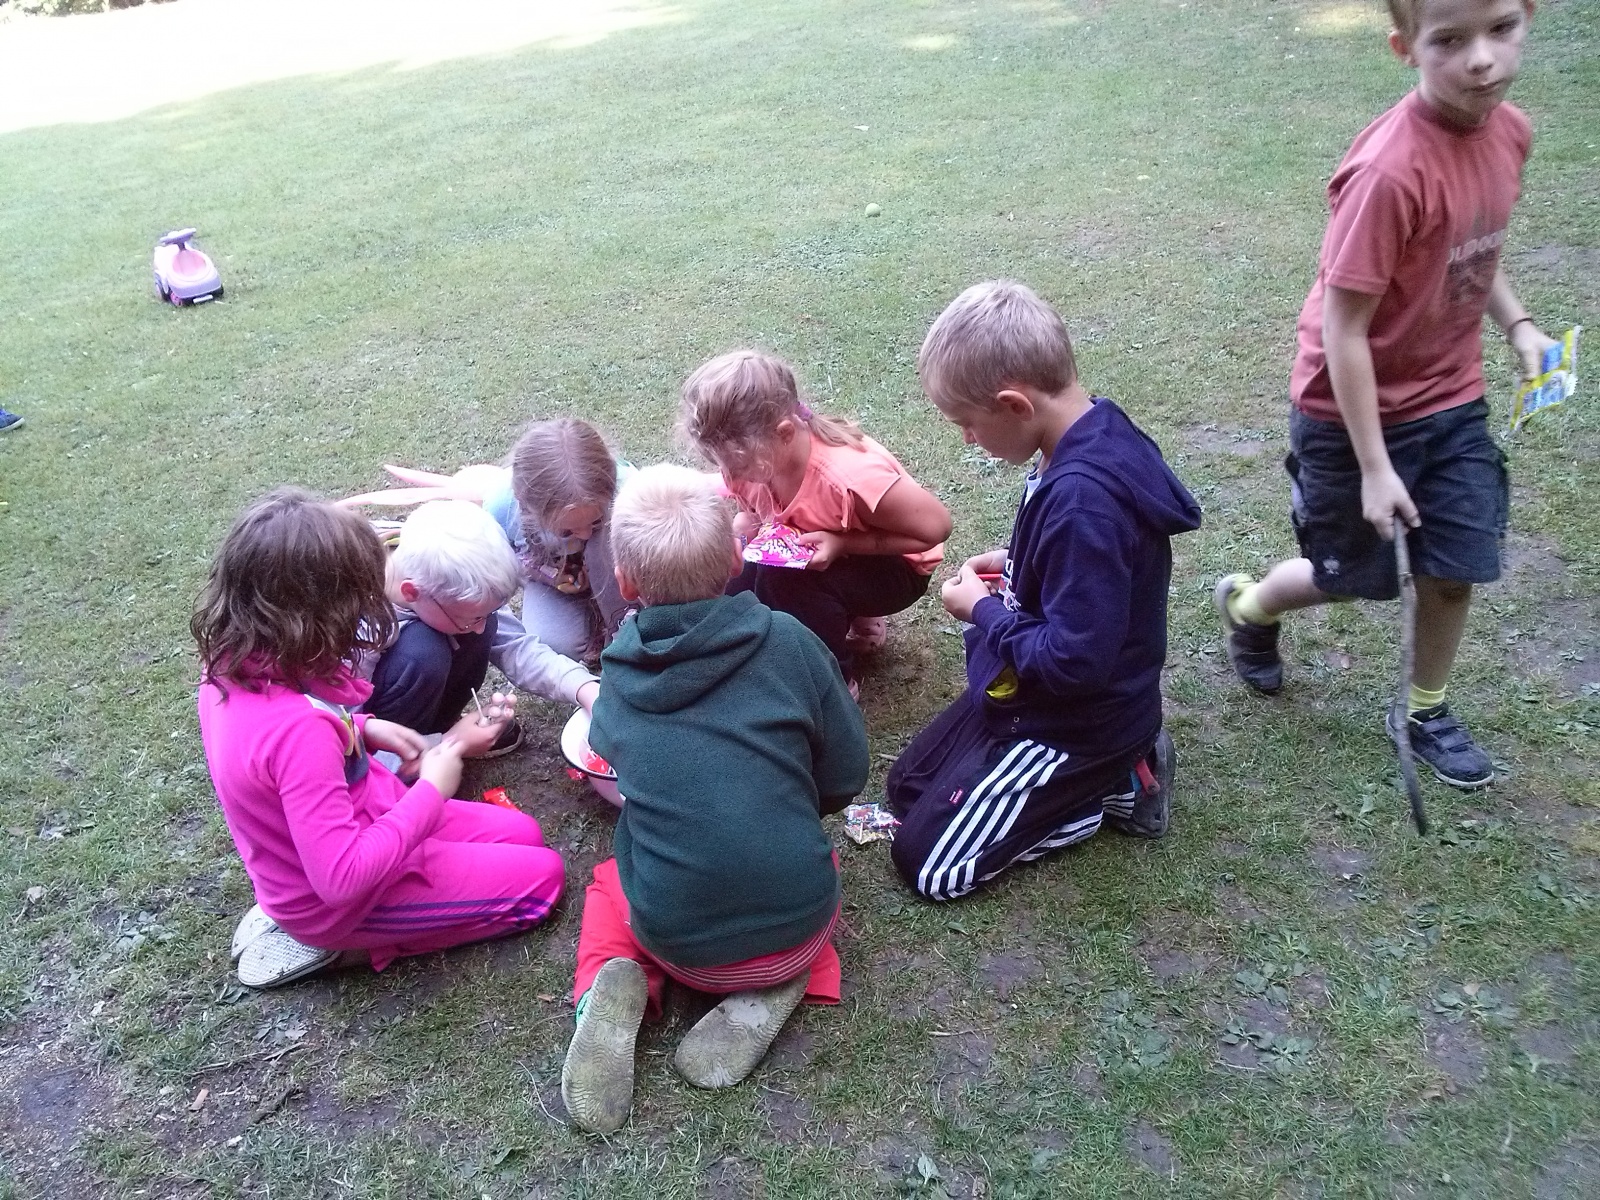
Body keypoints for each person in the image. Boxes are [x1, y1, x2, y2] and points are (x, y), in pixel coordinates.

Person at [1214, 0, 1556, 789]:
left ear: (1527, 16)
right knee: (1346, 574)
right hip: (1347, 414)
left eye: (1501, 29)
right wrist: (1374, 467)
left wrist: (1520, 327)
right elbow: (1344, 331)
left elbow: (1471, 250)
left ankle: (1425, 709)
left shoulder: (1510, 131)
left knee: (1455, 566)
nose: (1481, 59)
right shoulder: (1388, 173)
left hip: (1451, 399)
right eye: (1450, 41)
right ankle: (1251, 607)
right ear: (1406, 48)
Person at [559, 465, 868, 1135]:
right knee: (801, 857)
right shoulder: (792, 643)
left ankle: (610, 986)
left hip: (679, 946)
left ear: (625, 583)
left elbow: (613, 759)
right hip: (796, 923)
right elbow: (848, 772)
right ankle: (781, 979)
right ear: (735, 558)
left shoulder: (618, 678)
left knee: (613, 882)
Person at [887, 281, 1201, 901]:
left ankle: (1112, 783)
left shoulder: (1084, 502)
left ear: (1014, 405)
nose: (967, 439)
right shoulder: (1091, 427)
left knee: (929, 866)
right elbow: (1103, 566)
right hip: (1037, 692)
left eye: (968, 424)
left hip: (1077, 722)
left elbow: (1074, 662)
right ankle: (1086, 777)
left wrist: (982, 612)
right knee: (907, 790)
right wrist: (1023, 562)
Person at [193, 488, 564, 989]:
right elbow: (342, 878)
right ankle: (338, 948)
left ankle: (308, 912)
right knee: (543, 881)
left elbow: (284, 752)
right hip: (340, 901)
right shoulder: (297, 733)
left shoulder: (233, 667)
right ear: (320, 615)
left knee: (525, 834)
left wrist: (364, 728)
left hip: (369, 817)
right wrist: (431, 789)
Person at [679, 350, 952, 689]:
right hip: (829, 547)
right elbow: (753, 516)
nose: (731, 475)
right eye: (721, 463)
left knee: (786, 583)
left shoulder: (848, 477)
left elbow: (935, 528)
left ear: (784, 433)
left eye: (740, 465)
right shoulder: (752, 461)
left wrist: (843, 544)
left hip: (899, 567)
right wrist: (745, 528)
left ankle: (831, 683)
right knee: (738, 578)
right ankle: (824, 625)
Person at [360, 500, 525, 754]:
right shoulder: (356, 628)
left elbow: (513, 643)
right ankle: (406, 756)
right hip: (364, 736)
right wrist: (448, 745)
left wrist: (581, 688)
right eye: (472, 618)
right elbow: (337, 731)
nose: (480, 629)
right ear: (411, 592)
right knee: (423, 650)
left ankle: (437, 729)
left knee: (475, 628)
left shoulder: (434, 560)